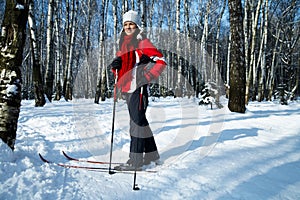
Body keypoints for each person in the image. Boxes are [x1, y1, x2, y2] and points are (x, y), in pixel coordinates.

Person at [109, 10, 166, 169]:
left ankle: (135, 161)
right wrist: (116, 67)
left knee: (136, 124)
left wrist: (147, 76)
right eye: (126, 24)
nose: (128, 27)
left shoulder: (142, 42)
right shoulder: (123, 44)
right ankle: (151, 155)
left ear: (136, 26)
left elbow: (161, 60)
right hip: (127, 89)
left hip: (138, 88)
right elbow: (122, 70)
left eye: (131, 24)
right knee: (140, 121)